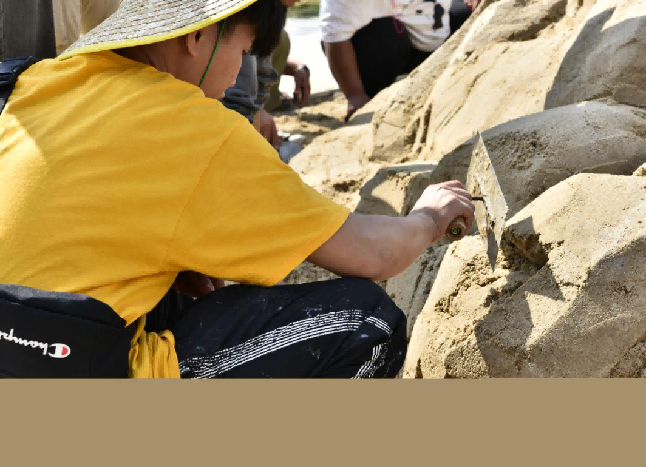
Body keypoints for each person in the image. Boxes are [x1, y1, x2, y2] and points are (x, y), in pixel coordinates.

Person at [0, 0, 475, 379]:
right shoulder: (195, 128)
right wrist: (429, 218)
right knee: (365, 322)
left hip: (21, 339)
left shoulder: (41, 80)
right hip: (74, 370)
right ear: (196, 36)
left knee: (178, 288)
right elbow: (375, 254)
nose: (237, 75)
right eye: (245, 51)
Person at [320, 0, 480, 119]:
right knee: (385, 33)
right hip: (388, 44)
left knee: (470, 12)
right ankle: (373, 91)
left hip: (433, 34)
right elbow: (335, 35)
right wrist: (355, 95)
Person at [222, 0, 311, 151]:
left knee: (281, 38)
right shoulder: (241, 14)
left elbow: (259, 61)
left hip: (246, 101)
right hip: (229, 108)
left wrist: (297, 68)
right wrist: (254, 111)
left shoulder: (273, 14)